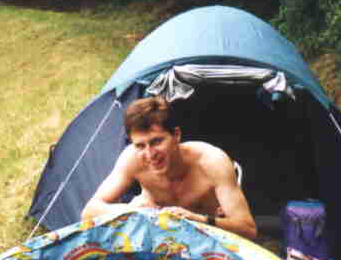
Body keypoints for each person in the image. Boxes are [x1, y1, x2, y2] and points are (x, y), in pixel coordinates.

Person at [81, 96, 257, 240]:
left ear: (176, 135)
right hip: (156, 238)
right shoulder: (131, 159)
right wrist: (132, 210)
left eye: (156, 142)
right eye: (140, 146)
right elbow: (89, 212)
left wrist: (199, 219)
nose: (150, 154)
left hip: (205, 238)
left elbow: (248, 229)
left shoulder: (211, 162)